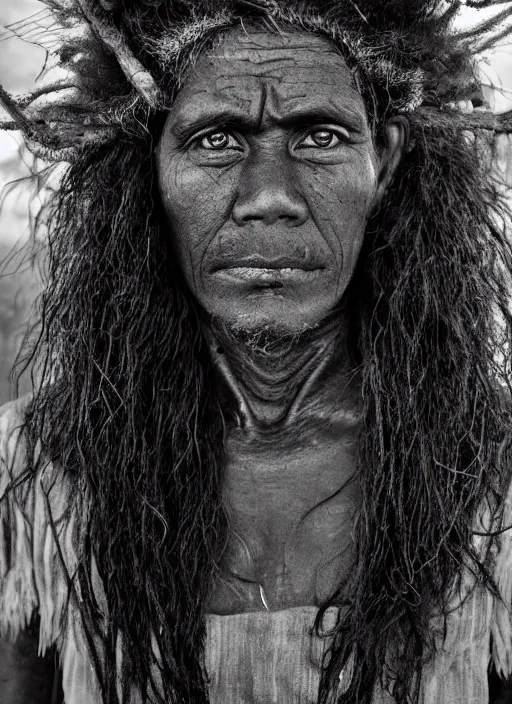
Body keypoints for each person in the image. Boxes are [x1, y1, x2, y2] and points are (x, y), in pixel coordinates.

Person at [1, 0, 512, 702]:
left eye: (320, 137)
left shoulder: (496, 475)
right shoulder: (35, 470)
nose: (269, 196)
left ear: (384, 158)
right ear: (148, 165)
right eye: (216, 140)